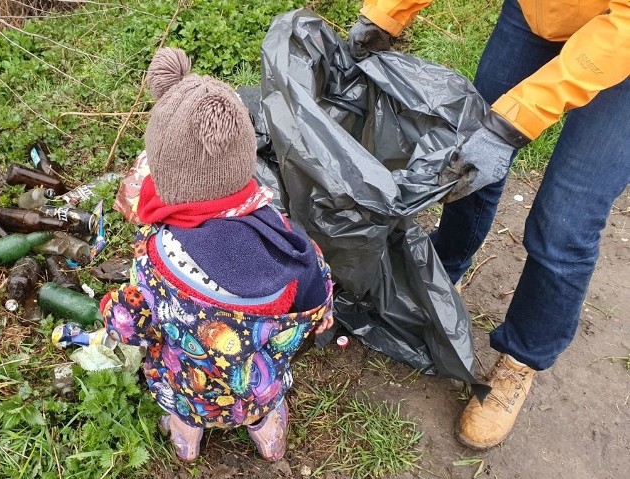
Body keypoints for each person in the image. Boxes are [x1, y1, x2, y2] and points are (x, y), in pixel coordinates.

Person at [348, 0, 630, 450]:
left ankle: (521, 360)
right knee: (470, 159)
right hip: (539, 11)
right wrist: (385, 14)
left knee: (564, 222)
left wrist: (515, 121)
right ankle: (445, 270)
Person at [101, 47, 335, 462]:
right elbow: (317, 297)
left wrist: (114, 310)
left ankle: (186, 442)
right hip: (254, 386)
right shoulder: (288, 243)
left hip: (189, 387)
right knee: (260, 409)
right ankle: (268, 437)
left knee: (183, 411)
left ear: (164, 173)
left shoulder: (154, 257)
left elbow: (136, 324)